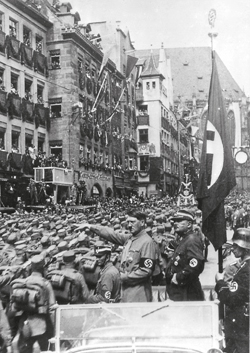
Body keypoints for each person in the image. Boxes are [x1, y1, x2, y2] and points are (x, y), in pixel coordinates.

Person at [76, 210, 156, 302]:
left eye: (132, 222)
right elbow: (112, 234)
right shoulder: (130, 238)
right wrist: (90, 226)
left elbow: (146, 271)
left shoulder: (147, 242)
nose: (129, 225)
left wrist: (123, 277)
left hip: (138, 293)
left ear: (142, 222)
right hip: (125, 290)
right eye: (128, 222)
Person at [11, 255, 55, 353]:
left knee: (25, 349)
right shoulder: (45, 283)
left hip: (25, 323)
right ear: (43, 268)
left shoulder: (24, 282)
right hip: (42, 324)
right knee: (47, 350)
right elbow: (52, 308)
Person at [215, 228, 250, 353]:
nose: (232, 249)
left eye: (236, 246)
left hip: (241, 324)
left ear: (245, 248)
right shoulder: (244, 267)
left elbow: (232, 299)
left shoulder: (245, 270)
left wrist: (220, 283)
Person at [165, 209, 205, 301]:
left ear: (189, 224)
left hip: (187, 292)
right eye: (174, 221)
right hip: (180, 290)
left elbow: (196, 265)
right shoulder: (184, 239)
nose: (175, 223)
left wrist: (178, 277)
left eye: (179, 221)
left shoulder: (192, 240)